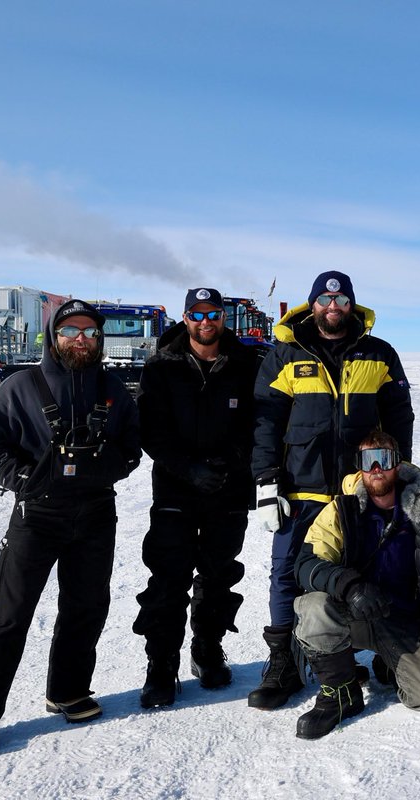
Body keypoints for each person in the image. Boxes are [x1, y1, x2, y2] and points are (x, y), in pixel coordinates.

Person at [0, 299, 141, 758]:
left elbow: (132, 446)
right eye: (71, 331)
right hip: (37, 516)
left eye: (90, 332)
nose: (82, 339)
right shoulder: (20, 387)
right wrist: (22, 479)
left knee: (87, 606)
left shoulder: (113, 388)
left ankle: (68, 690)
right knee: (10, 614)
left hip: (96, 513)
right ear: (53, 337)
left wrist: (110, 466)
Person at [250, 270, 415, 710]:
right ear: (313, 305)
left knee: (370, 569)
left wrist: (401, 472)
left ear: (351, 306)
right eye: (325, 300)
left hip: (361, 490)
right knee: (287, 573)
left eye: (341, 302)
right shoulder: (284, 354)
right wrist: (266, 481)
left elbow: (399, 418)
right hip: (300, 489)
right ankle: (283, 659)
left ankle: (378, 651)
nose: (333, 308)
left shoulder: (379, 354)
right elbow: (265, 423)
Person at [132, 288, 263, 707]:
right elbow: (151, 430)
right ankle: (161, 664)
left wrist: (227, 464)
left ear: (223, 318)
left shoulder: (246, 364)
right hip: (175, 487)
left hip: (228, 487)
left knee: (218, 573)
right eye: (196, 314)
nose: (205, 322)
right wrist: (189, 470)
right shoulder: (161, 367)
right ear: (185, 317)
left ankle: (207, 649)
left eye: (213, 314)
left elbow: (256, 425)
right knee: (169, 577)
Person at [290, 430, 420, 738]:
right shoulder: (340, 511)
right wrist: (350, 586)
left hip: (401, 618)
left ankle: (391, 661)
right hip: (352, 611)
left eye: (383, 459)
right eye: (368, 460)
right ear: (359, 466)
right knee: (314, 605)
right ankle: (341, 692)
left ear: (397, 464)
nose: (375, 469)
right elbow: (306, 564)